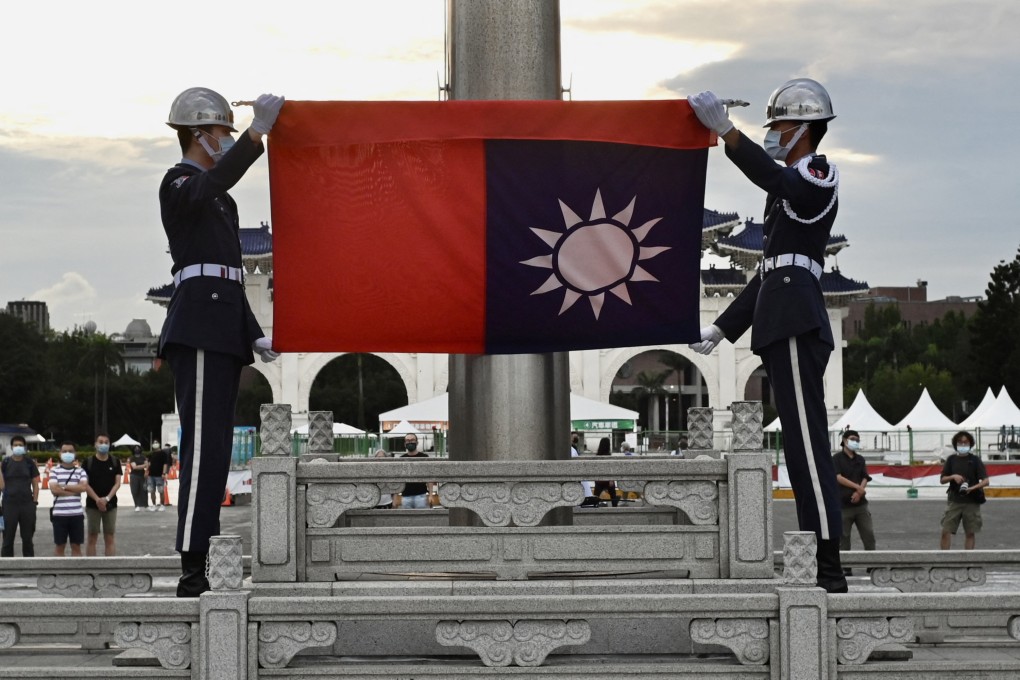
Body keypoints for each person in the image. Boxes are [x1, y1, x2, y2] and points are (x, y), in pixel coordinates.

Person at [687, 79, 846, 592]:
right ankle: (818, 556)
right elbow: (768, 274)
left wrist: (729, 135)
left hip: (797, 321)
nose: (774, 134)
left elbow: (781, 183)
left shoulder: (816, 172)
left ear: (803, 129)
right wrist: (723, 326)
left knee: (807, 443)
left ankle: (828, 566)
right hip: (782, 320)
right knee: (797, 446)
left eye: (778, 126)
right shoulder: (785, 193)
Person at [159, 87, 285, 596]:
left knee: (214, 452)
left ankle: (203, 555)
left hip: (223, 328)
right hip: (200, 328)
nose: (224, 140)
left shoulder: (217, 196)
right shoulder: (180, 183)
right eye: (220, 133)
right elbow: (208, 274)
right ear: (197, 134)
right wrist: (257, 136)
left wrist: (255, 334)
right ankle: (194, 563)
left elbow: (229, 276)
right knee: (203, 448)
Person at [832, 430, 875, 572]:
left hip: (861, 505)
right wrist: (858, 488)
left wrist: (859, 492)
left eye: (857, 439)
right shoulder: (837, 458)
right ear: (844, 440)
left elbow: (865, 476)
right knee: (844, 538)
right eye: (852, 439)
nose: (855, 441)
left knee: (868, 534)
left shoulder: (860, 459)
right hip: (843, 505)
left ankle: (872, 564)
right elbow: (838, 477)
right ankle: (846, 567)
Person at [940, 431, 988, 550]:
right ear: (955, 444)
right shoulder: (951, 460)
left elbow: (986, 481)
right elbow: (942, 479)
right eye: (960, 442)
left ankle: (968, 561)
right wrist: (953, 476)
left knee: (970, 533)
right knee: (945, 531)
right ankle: (944, 560)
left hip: (972, 501)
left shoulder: (975, 460)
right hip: (954, 500)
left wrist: (972, 488)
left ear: (970, 444)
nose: (962, 444)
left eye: (965, 442)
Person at [82, 434, 122, 556]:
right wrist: (98, 500)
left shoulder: (115, 462)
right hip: (92, 505)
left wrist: (106, 499)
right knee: (92, 536)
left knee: (109, 536)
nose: (103, 445)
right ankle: (91, 569)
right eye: (100, 442)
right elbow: (85, 484)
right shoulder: (88, 462)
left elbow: (117, 483)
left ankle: (109, 569)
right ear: (95, 444)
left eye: (106, 442)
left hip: (111, 504)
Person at [1, 435, 40, 557]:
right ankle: (6, 567)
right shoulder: (6, 463)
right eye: (15, 445)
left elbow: (35, 484)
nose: (18, 447)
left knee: (27, 538)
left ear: (25, 447)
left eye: (20, 445)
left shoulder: (29, 463)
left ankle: (29, 566)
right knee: (8, 538)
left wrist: (34, 502)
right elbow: (1, 486)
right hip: (9, 504)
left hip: (27, 504)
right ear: (11, 447)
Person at [49, 441, 88, 557]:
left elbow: (83, 487)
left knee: (76, 546)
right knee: (60, 546)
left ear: (75, 453)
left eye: (70, 451)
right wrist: (74, 491)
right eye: (64, 451)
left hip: (76, 514)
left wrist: (63, 487)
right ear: (60, 453)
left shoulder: (81, 471)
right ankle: (58, 573)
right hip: (59, 515)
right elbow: (54, 490)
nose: (67, 453)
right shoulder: (54, 471)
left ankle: (77, 573)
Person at [399, 434, 432, 508]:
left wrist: (430, 495)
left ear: (417, 442)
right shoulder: (401, 459)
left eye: (412, 440)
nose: (410, 442)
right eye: (407, 440)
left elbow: (429, 477)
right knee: (406, 519)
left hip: (421, 495)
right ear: (405, 444)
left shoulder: (424, 457)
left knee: (421, 519)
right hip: (405, 496)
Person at [592, 437, 618, 507]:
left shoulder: (597, 456)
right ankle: (615, 508)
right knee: (613, 495)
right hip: (608, 480)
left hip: (599, 480)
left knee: (596, 496)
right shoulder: (609, 456)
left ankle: (594, 507)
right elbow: (611, 469)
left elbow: (595, 469)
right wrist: (611, 479)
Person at [147, 443, 169, 512]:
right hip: (151, 475)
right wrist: (146, 471)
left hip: (159, 475)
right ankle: (154, 505)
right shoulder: (151, 454)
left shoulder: (163, 453)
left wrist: (164, 473)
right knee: (152, 491)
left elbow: (165, 464)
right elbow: (149, 463)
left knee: (161, 491)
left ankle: (162, 505)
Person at [128, 445, 149, 511]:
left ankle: (146, 505)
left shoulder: (143, 457)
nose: (137, 449)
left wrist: (140, 466)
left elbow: (147, 465)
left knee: (144, 490)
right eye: (135, 448)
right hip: (134, 476)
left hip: (142, 475)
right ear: (133, 450)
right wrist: (144, 465)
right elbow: (134, 467)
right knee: (135, 490)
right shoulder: (132, 458)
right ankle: (136, 505)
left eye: (138, 448)